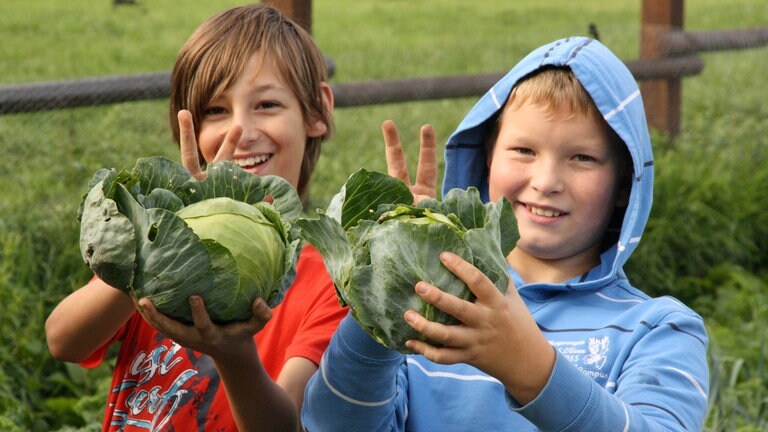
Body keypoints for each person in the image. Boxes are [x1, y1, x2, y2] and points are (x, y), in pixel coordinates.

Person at [301, 36, 709, 431]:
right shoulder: (430, 307)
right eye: (524, 151)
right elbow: (330, 424)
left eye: (582, 157)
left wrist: (532, 369)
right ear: (486, 159)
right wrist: (389, 283)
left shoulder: (658, 329)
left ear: (624, 184)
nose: (546, 181)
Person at [45, 4, 346, 431]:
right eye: (215, 111)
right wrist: (155, 250)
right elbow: (64, 342)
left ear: (317, 111)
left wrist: (234, 355)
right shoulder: (156, 239)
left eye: (267, 104)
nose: (239, 131)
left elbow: (287, 424)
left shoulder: (329, 284)